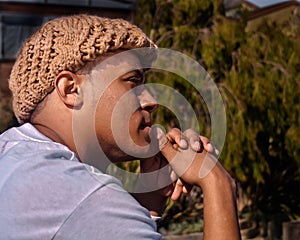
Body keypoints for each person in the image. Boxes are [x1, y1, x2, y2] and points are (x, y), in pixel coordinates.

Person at [0, 14, 241, 239]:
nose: (151, 101)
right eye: (132, 81)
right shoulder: (82, 195)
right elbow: (84, 210)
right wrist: (217, 183)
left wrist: (147, 205)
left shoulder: (13, 158)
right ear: (71, 89)